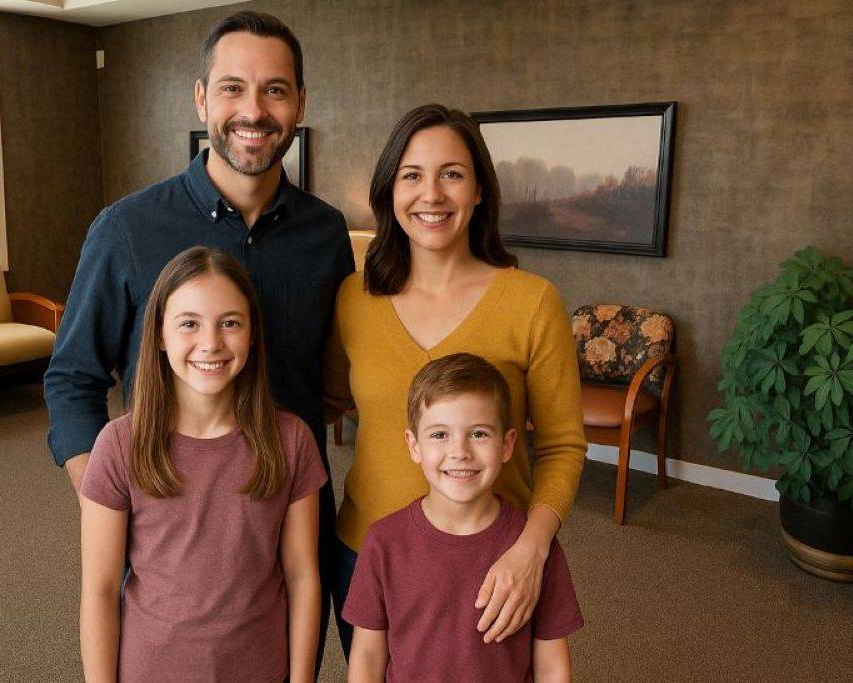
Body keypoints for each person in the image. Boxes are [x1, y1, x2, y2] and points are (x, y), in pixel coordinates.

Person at [45, 10, 353, 666]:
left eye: (275, 89)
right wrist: (111, 494)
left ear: (300, 102)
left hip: (290, 519)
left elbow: (331, 376)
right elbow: (71, 379)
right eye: (233, 87)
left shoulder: (327, 235)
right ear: (201, 97)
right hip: (169, 543)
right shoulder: (126, 229)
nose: (254, 109)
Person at [324, 104, 587, 656]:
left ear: (479, 192)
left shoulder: (532, 302)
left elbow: (563, 446)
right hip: (369, 556)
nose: (432, 195)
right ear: (389, 193)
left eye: (452, 174)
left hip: (495, 566)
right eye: (412, 175)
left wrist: (532, 550)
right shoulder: (354, 300)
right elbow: (324, 402)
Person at [79, 247, 324, 682]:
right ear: (158, 334)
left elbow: (302, 576)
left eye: (230, 323)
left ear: (252, 334)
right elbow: (99, 591)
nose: (211, 343)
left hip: (260, 670)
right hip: (151, 670)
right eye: (189, 323)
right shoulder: (118, 445)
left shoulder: (291, 440)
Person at [343, 353, 583, 682]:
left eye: (479, 434)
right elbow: (367, 656)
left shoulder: (534, 550)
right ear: (414, 446)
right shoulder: (383, 542)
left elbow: (552, 665)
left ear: (507, 445)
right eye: (440, 434)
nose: (460, 452)